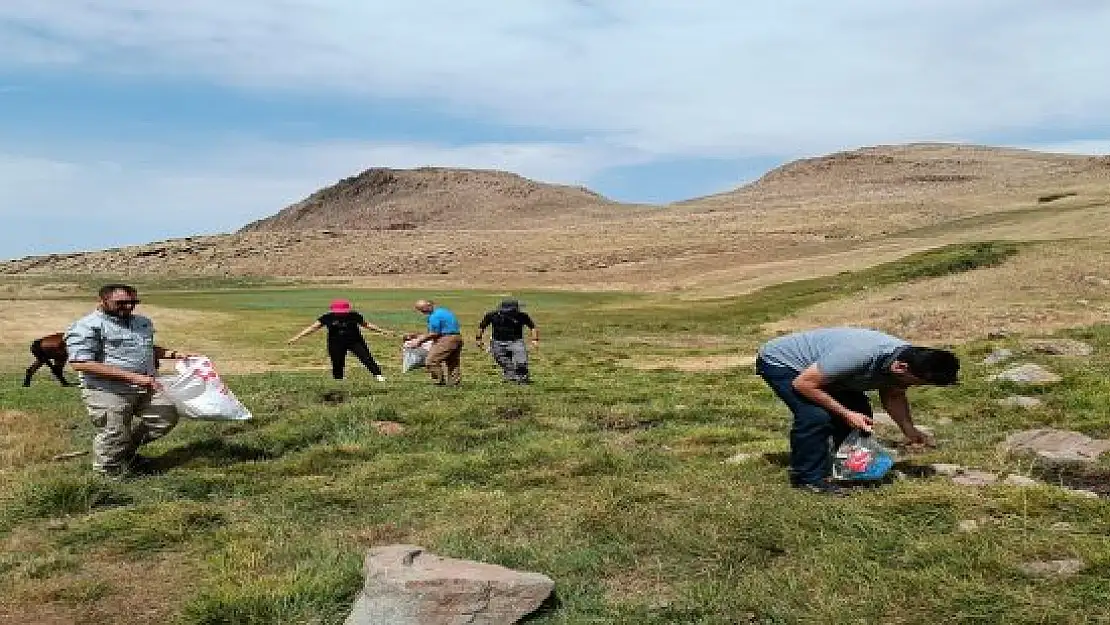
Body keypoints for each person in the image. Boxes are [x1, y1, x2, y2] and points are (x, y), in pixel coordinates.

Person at [755, 327, 960, 495]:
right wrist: (845, 414)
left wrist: (909, 430)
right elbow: (804, 384)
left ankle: (848, 470)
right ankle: (808, 479)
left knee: (860, 411)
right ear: (901, 368)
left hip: (825, 371)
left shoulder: (908, 361)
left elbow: (894, 395)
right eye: (917, 382)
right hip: (784, 362)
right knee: (816, 416)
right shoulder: (858, 354)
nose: (915, 386)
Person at [64, 284, 191, 477]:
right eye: (121, 303)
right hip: (107, 390)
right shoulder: (86, 326)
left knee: (165, 417)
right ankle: (107, 476)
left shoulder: (142, 322)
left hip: (145, 385)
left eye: (133, 302)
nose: (129, 307)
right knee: (114, 432)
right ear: (102, 301)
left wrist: (175, 354)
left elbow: (146, 347)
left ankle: (123, 454)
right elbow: (81, 363)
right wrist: (134, 377)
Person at [287, 299, 394, 382]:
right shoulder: (327, 317)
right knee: (337, 362)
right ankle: (339, 379)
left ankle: (378, 376)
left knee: (366, 358)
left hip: (355, 342)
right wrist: (297, 337)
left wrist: (383, 331)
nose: (341, 314)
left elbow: (367, 325)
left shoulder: (354, 316)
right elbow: (312, 328)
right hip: (336, 343)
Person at [476, 298, 538, 383]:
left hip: (516, 341)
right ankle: (510, 377)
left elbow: (532, 327)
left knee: (521, 361)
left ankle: (523, 379)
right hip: (497, 342)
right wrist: (478, 339)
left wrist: (535, 339)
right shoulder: (492, 315)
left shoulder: (522, 316)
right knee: (503, 361)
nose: (517, 310)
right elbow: (482, 327)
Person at [407, 299, 463, 386]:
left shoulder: (434, 316)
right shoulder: (443, 311)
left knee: (431, 360)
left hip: (447, 339)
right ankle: (454, 383)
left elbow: (434, 333)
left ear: (429, 305)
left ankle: (439, 381)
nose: (422, 312)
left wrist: (418, 341)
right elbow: (435, 331)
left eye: (423, 309)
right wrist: (416, 335)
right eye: (420, 310)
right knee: (452, 362)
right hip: (457, 338)